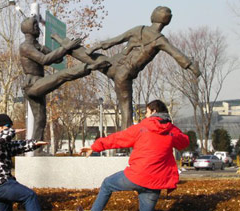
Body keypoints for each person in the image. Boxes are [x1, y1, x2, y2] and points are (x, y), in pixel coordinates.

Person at [50, 6, 201, 131]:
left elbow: (114, 41)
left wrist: (96, 46)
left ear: (152, 17)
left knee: (83, 53)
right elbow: (177, 55)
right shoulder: (160, 41)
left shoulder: (139, 29)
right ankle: (127, 146)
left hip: (111, 64)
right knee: (126, 110)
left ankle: (61, 41)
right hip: (124, 74)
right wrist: (194, 69)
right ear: (166, 22)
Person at [76, 100, 189, 211]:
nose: (145, 115)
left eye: (147, 112)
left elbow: (118, 139)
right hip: (156, 183)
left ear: (154, 111)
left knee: (107, 184)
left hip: (136, 176)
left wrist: (95, 146)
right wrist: (174, 131)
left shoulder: (143, 127)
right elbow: (184, 142)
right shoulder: (172, 131)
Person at [20, 16, 109, 144]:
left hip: (39, 83)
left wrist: (62, 46)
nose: (38, 29)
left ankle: (36, 149)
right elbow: (44, 60)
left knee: (40, 119)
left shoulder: (37, 46)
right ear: (28, 29)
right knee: (62, 75)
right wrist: (65, 48)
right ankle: (89, 67)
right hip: (32, 85)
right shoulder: (25, 47)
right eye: (35, 26)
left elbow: (57, 59)